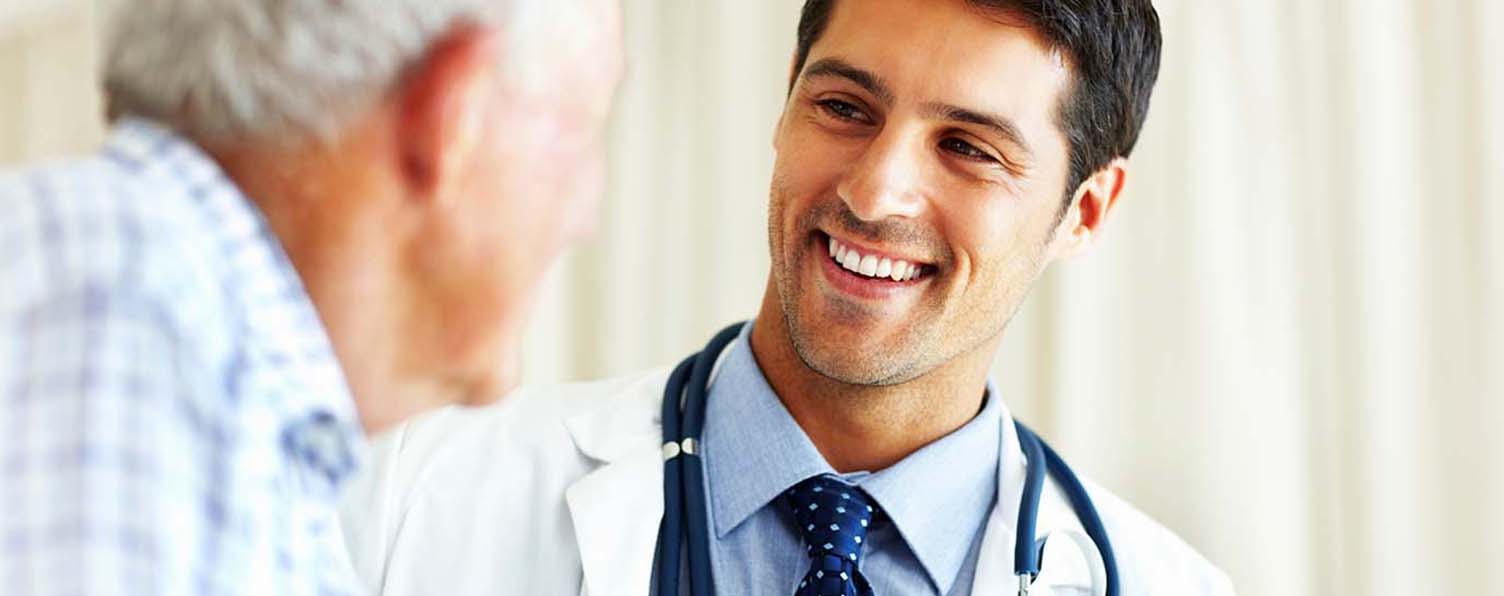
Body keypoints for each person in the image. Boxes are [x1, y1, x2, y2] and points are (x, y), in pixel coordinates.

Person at [340, 0, 1233, 594]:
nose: (875, 192)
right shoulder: (421, 493)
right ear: (785, 103)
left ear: (1084, 210)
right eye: (845, 107)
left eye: (967, 146)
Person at [0, 0, 621, 593]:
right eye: (582, 130)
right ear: (454, 112)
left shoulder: (247, 401)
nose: (586, 213)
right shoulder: (126, 305)